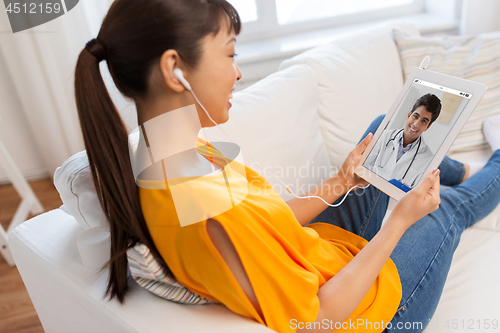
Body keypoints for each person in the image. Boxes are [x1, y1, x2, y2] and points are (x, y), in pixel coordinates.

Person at [73, 0, 500, 332]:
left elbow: (269, 218)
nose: (237, 73)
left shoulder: (178, 151)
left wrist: (340, 181)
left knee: (376, 137)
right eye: (229, 55)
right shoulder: (202, 212)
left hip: (319, 254)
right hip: (364, 313)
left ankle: (453, 169)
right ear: (174, 70)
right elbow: (316, 320)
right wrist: (398, 223)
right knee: (447, 208)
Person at [364, 94, 441, 189]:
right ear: (409, 115)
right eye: (415, 116)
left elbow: (415, 192)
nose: (416, 124)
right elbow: (363, 167)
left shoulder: (428, 158)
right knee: (381, 119)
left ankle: (463, 172)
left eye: (424, 121)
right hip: (369, 189)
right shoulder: (384, 136)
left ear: (428, 127)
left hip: (393, 201)